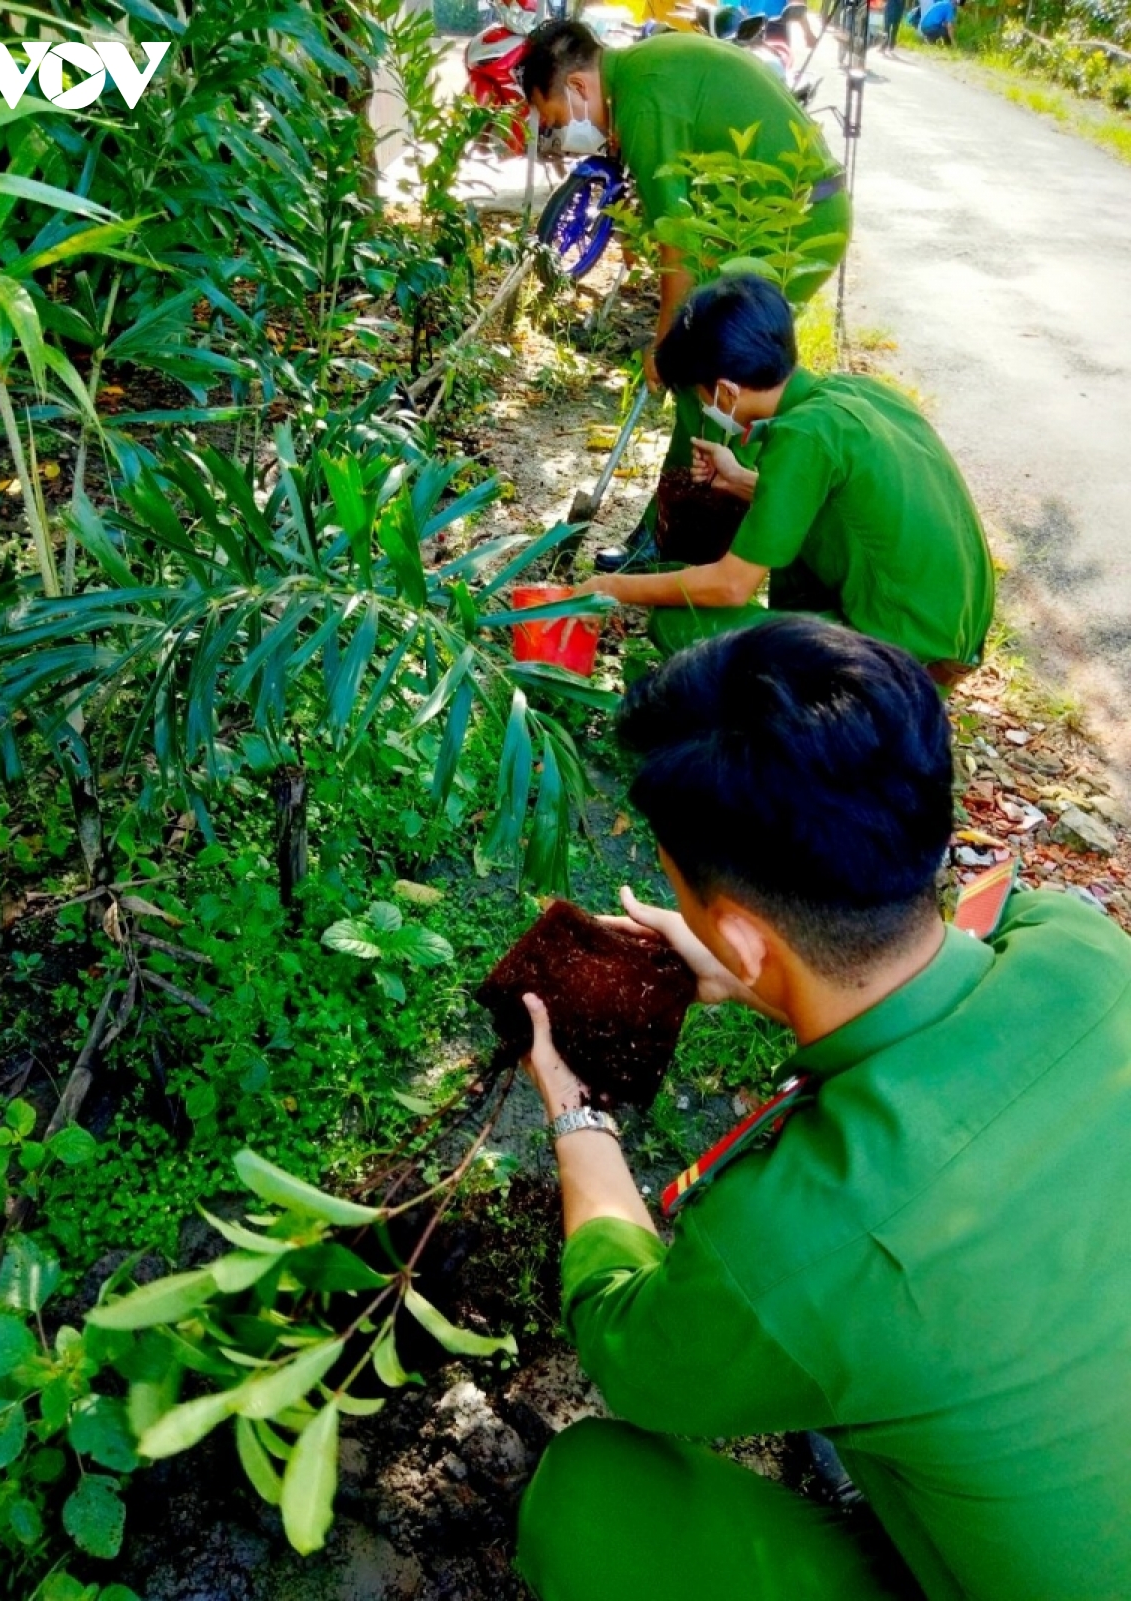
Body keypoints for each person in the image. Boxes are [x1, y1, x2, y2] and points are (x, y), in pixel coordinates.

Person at [512, 616, 1131, 1601]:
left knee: (592, 1496)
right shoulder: (1081, 947)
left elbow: (625, 1346)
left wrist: (576, 1115)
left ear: (745, 937)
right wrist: (761, 971)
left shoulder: (798, 1239)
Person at [520, 21, 850, 568]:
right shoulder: (643, 75)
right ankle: (685, 533)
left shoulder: (644, 106)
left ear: (578, 87)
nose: (562, 132)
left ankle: (680, 544)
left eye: (555, 119)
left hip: (795, 224)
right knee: (708, 376)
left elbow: (682, 252)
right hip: (768, 219)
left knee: (713, 375)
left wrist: (664, 343)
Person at [576, 273, 994, 679]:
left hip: (905, 655)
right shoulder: (856, 393)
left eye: (698, 395)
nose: (703, 406)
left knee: (680, 623)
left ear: (725, 391)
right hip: (953, 634)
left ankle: (824, 715)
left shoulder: (802, 436)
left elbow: (731, 586)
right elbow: (837, 510)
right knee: (787, 552)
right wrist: (742, 481)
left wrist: (610, 586)